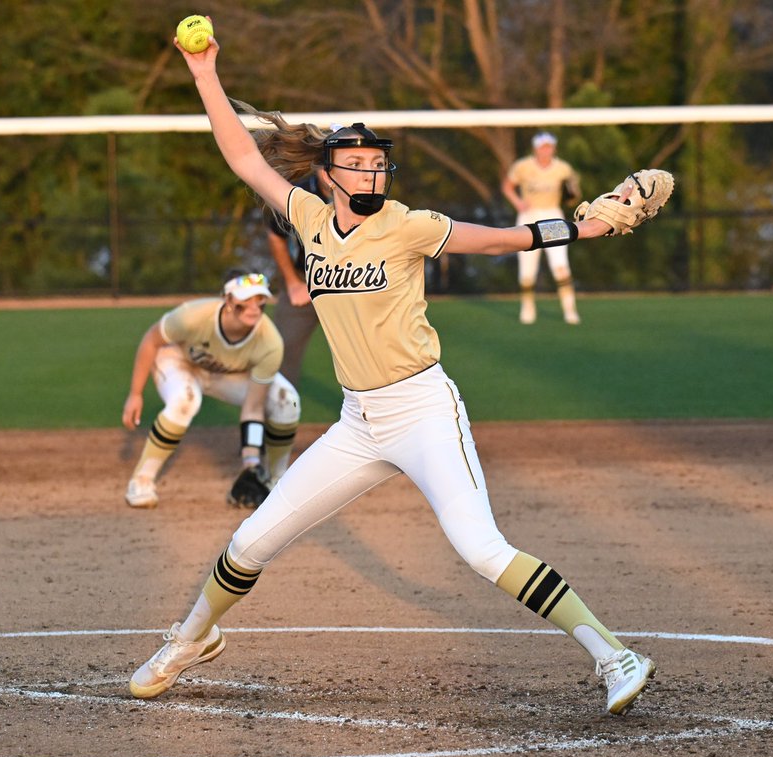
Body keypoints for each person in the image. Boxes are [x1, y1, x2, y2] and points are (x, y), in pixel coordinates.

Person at [129, 32, 658, 716]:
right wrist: (205, 73)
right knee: (248, 542)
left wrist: (586, 229)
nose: (372, 174)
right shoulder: (308, 218)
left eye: (378, 163)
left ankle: (615, 655)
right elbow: (241, 155)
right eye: (356, 164)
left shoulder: (409, 225)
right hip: (358, 423)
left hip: (423, 410)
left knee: (480, 549)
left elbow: (504, 240)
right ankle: (191, 640)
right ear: (328, 176)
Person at [121, 269, 300, 510]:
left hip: (225, 374)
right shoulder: (192, 316)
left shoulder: (270, 342)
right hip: (178, 360)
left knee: (287, 400)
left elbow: (253, 408)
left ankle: (274, 481)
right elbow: (151, 341)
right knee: (185, 400)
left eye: (259, 300)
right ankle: (141, 480)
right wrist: (135, 394)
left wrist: (250, 463)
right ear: (228, 300)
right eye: (245, 300)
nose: (254, 308)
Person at [501, 131, 583, 325]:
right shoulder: (523, 166)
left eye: (549, 147)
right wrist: (518, 203)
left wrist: (573, 194)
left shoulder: (562, 168)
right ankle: (527, 307)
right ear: (536, 148)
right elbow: (507, 186)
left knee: (560, 265)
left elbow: (573, 194)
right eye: (542, 147)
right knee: (527, 269)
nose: (546, 151)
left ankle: (570, 309)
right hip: (529, 216)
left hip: (552, 216)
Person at [265, 173, 328, 388]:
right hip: (305, 278)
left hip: (353, 282)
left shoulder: (366, 194)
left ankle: (373, 408)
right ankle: (279, 407)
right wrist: (293, 282)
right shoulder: (296, 195)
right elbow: (275, 235)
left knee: (367, 350)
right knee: (280, 350)